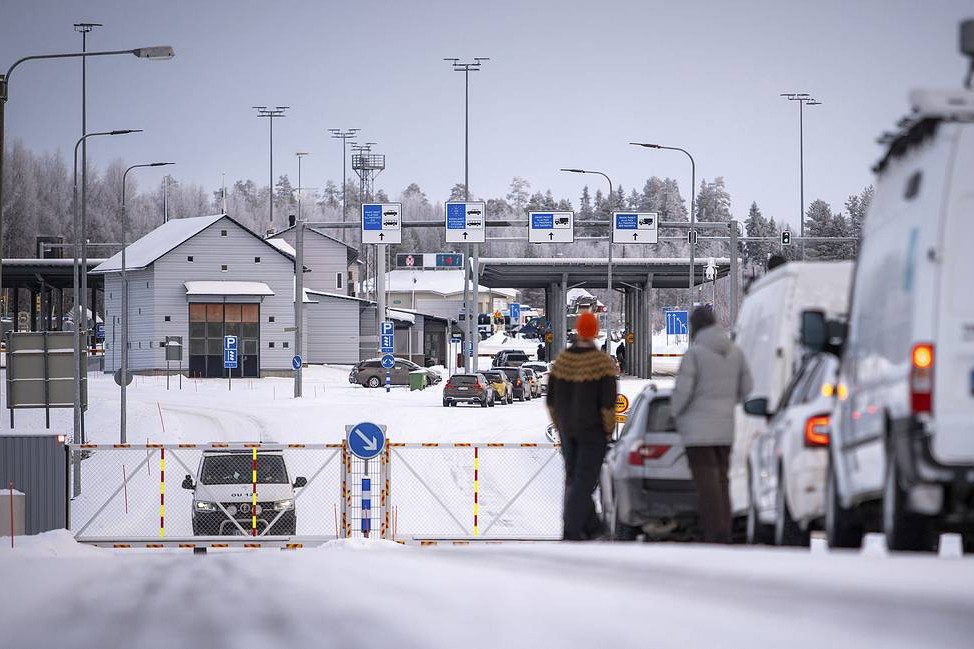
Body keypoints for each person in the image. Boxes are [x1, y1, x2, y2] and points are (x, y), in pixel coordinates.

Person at [670, 307, 753, 544]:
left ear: (695, 327)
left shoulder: (694, 355)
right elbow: (746, 389)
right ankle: (724, 530)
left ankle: (714, 534)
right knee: (722, 481)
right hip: (725, 431)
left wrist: (675, 413)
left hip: (697, 434)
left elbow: (682, 393)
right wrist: (726, 403)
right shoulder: (735, 352)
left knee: (706, 485)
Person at [546, 311, 618, 540]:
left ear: (577, 330)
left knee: (573, 478)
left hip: (567, 429)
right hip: (592, 430)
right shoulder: (602, 363)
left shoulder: (563, 360)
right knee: (584, 481)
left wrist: (560, 424)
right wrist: (608, 430)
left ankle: (593, 526)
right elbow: (608, 404)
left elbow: (551, 401)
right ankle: (571, 529)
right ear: (595, 331)